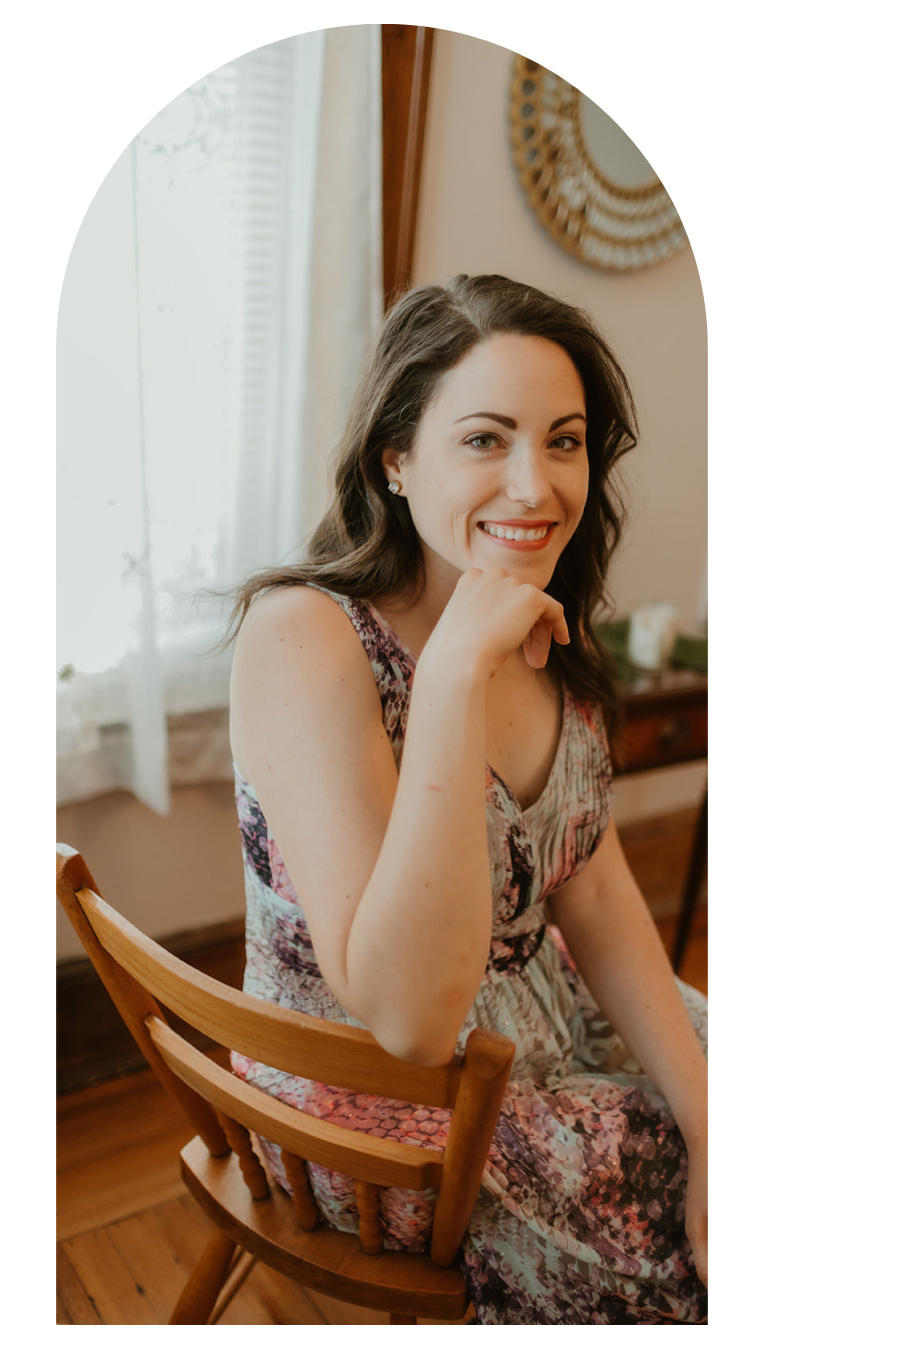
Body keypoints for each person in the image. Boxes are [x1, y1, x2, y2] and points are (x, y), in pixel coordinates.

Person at [224, 274, 708, 1329]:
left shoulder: (548, 621)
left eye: (564, 441)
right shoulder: (306, 637)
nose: (534, 486)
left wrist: (712, 1121)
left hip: (545, 1018)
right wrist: (449, 677)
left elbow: (593, 889)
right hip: (371, 1107)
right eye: (485, 439)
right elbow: (408, 1020)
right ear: (394, 459)